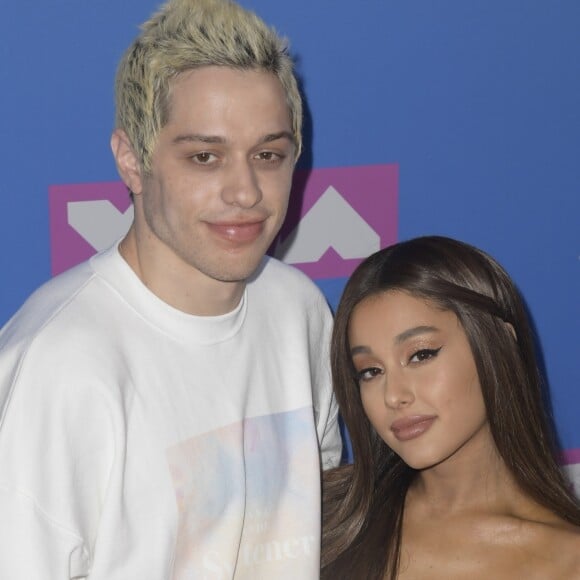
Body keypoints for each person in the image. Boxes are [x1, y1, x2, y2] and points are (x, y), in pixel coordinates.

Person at [0, 0, 342, 577]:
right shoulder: (54, 366)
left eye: (268, 155)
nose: (246, 192)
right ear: (132, 161)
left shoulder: (298, 310)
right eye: (205, 157)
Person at [321, 236, 580, 579]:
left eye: (421, 354)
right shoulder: (325, 516)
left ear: (499, 342)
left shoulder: (567, 558)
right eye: (371, 371)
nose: (393, 395)